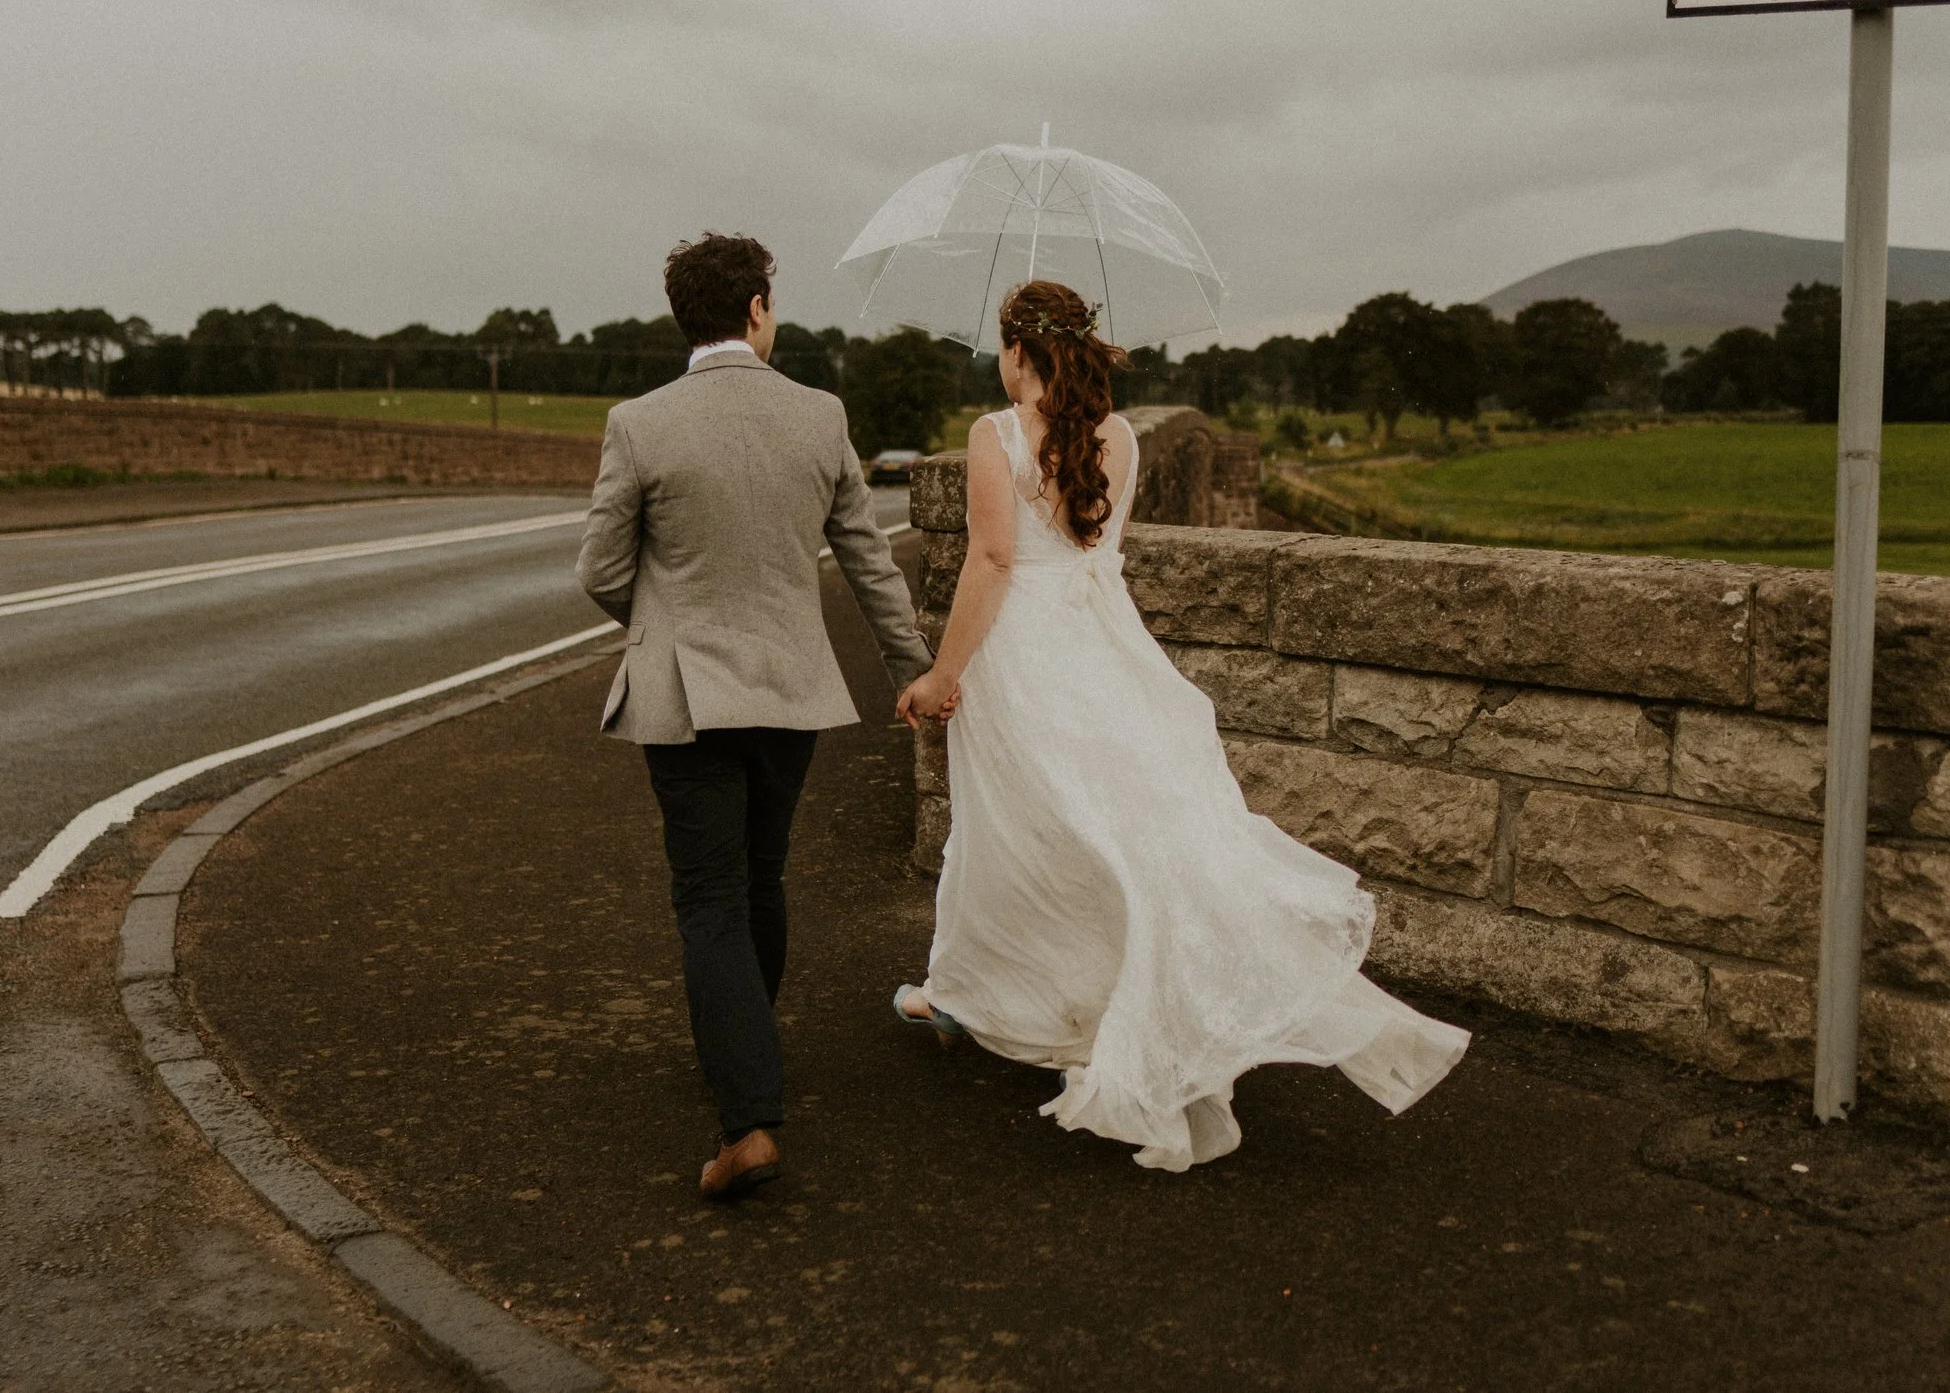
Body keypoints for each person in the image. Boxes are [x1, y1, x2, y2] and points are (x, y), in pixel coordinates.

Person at [891, 280, 1468, 1171]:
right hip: (1108, 645)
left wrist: (942, 673)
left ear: (1018, 351)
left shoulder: (994, 436)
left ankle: (1040, 1000)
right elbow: (1091, 551)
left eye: (1002, 349)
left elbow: (997, 560)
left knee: (1022, 825)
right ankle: (968, 986)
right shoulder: (1118, 437)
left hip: (1027, 654)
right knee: (1107, 824)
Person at [577, 232, 932, 1200]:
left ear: (683, 314)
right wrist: (915, 670)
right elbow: (868, 560)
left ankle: (748, 1115)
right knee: (761, 873)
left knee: (708, 896)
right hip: (788, 688)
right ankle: (745, 1046)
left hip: (685, 692)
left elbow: (600, 571)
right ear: (760, 306)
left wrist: (660, 625)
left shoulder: (639, 422)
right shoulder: (820, 416)